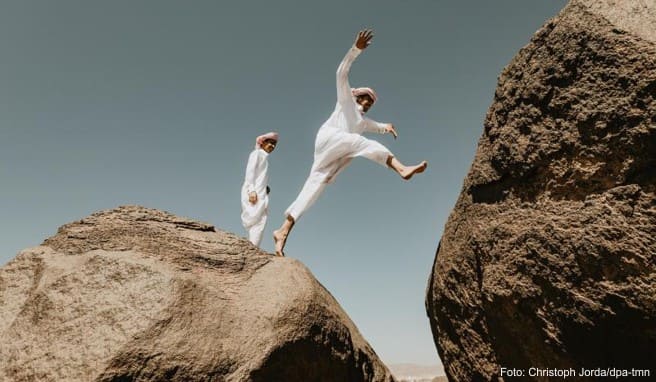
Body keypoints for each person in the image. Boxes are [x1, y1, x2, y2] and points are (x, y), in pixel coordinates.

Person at [273, 29, 427, 256]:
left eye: (370, 103)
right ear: (356, 97)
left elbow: (375, 125)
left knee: (315, 187)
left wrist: (387, 127)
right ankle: (400, 168)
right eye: (364, 99)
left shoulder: (362, 122)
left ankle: (283, 230)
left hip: (336, 153)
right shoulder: (346, 100)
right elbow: (340, 73)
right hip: (328, 139)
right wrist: (356, 50)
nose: (366, 104)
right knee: (359, 142)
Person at [241, 132, 278, 247]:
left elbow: (259, 176)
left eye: (274, 144)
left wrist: (265, 187)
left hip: (260, 193)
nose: (272, 146)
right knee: (256, 221)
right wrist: (252, 190)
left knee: (260, 221)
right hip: (254, 193)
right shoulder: (256, 154)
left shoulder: (264, 158)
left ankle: (253, 248)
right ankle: (252, 249)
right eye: (270, 143)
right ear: (263, 143)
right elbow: (250, 172)